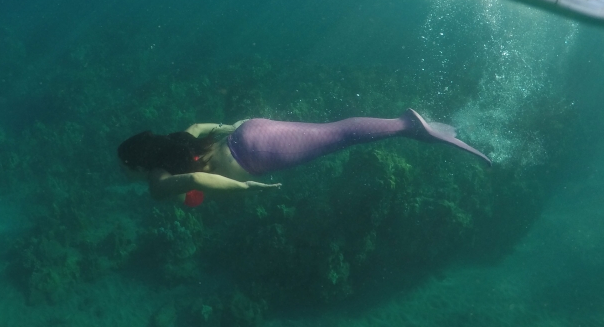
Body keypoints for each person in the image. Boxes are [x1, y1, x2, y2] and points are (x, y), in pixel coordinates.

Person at [117, 109, 490, 204]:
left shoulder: (156, 183)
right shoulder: (174, 141)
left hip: (257, 154)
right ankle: (409, 126)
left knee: (337, 136)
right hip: (251, 132)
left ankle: (409, 126)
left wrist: (244, 189)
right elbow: (199, 126)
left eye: (126, 170)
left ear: (138, 163)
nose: (127, 176)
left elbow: (198, 180)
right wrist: (230, 126)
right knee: (333, 131)